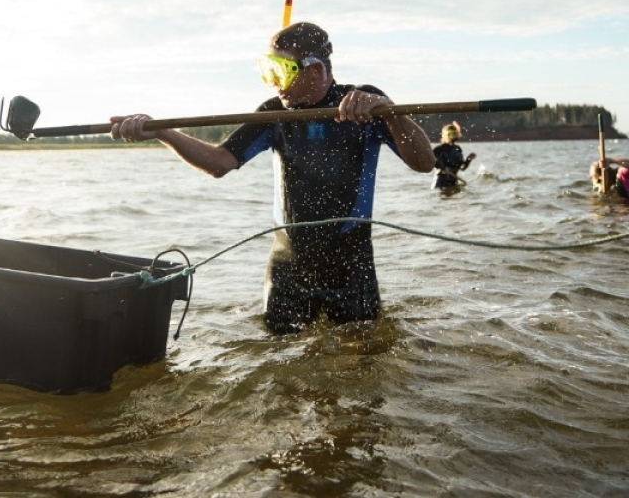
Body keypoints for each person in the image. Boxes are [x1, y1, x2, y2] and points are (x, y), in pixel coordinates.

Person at [110, 21, 435, 334]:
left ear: (316, 70)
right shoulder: (273, 113)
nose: (272, 82)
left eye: (280, 71)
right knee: (280, 366)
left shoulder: (365, 104)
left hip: (350, 265)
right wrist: (163, 132)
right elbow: (219, 163)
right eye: (267, 70)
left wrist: (391, 113)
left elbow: (425, 163)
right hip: (288, 264)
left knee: (361, 362)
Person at [432, 122, 476, 189]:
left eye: (454, 134)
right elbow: (430, 161)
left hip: (454, 182)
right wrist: (442, 168)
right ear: (445, 135)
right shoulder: (438, 150)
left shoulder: (457, 149)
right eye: (451, 134)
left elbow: (462, 168)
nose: (453, 137)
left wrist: (468, 160)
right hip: (441, 182)